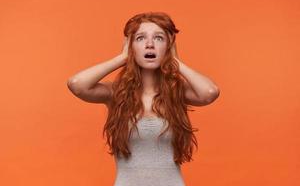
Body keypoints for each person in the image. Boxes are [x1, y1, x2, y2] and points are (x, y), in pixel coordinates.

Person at [67, 12, 220, 186]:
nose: (149, 45)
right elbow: (77, 84)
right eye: (140, 38)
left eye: (159, 38)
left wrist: (175, 61)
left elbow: (209, 92)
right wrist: (122, 58)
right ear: (130, 46)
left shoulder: (177, 92)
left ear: (169, 46)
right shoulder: (116, 93)